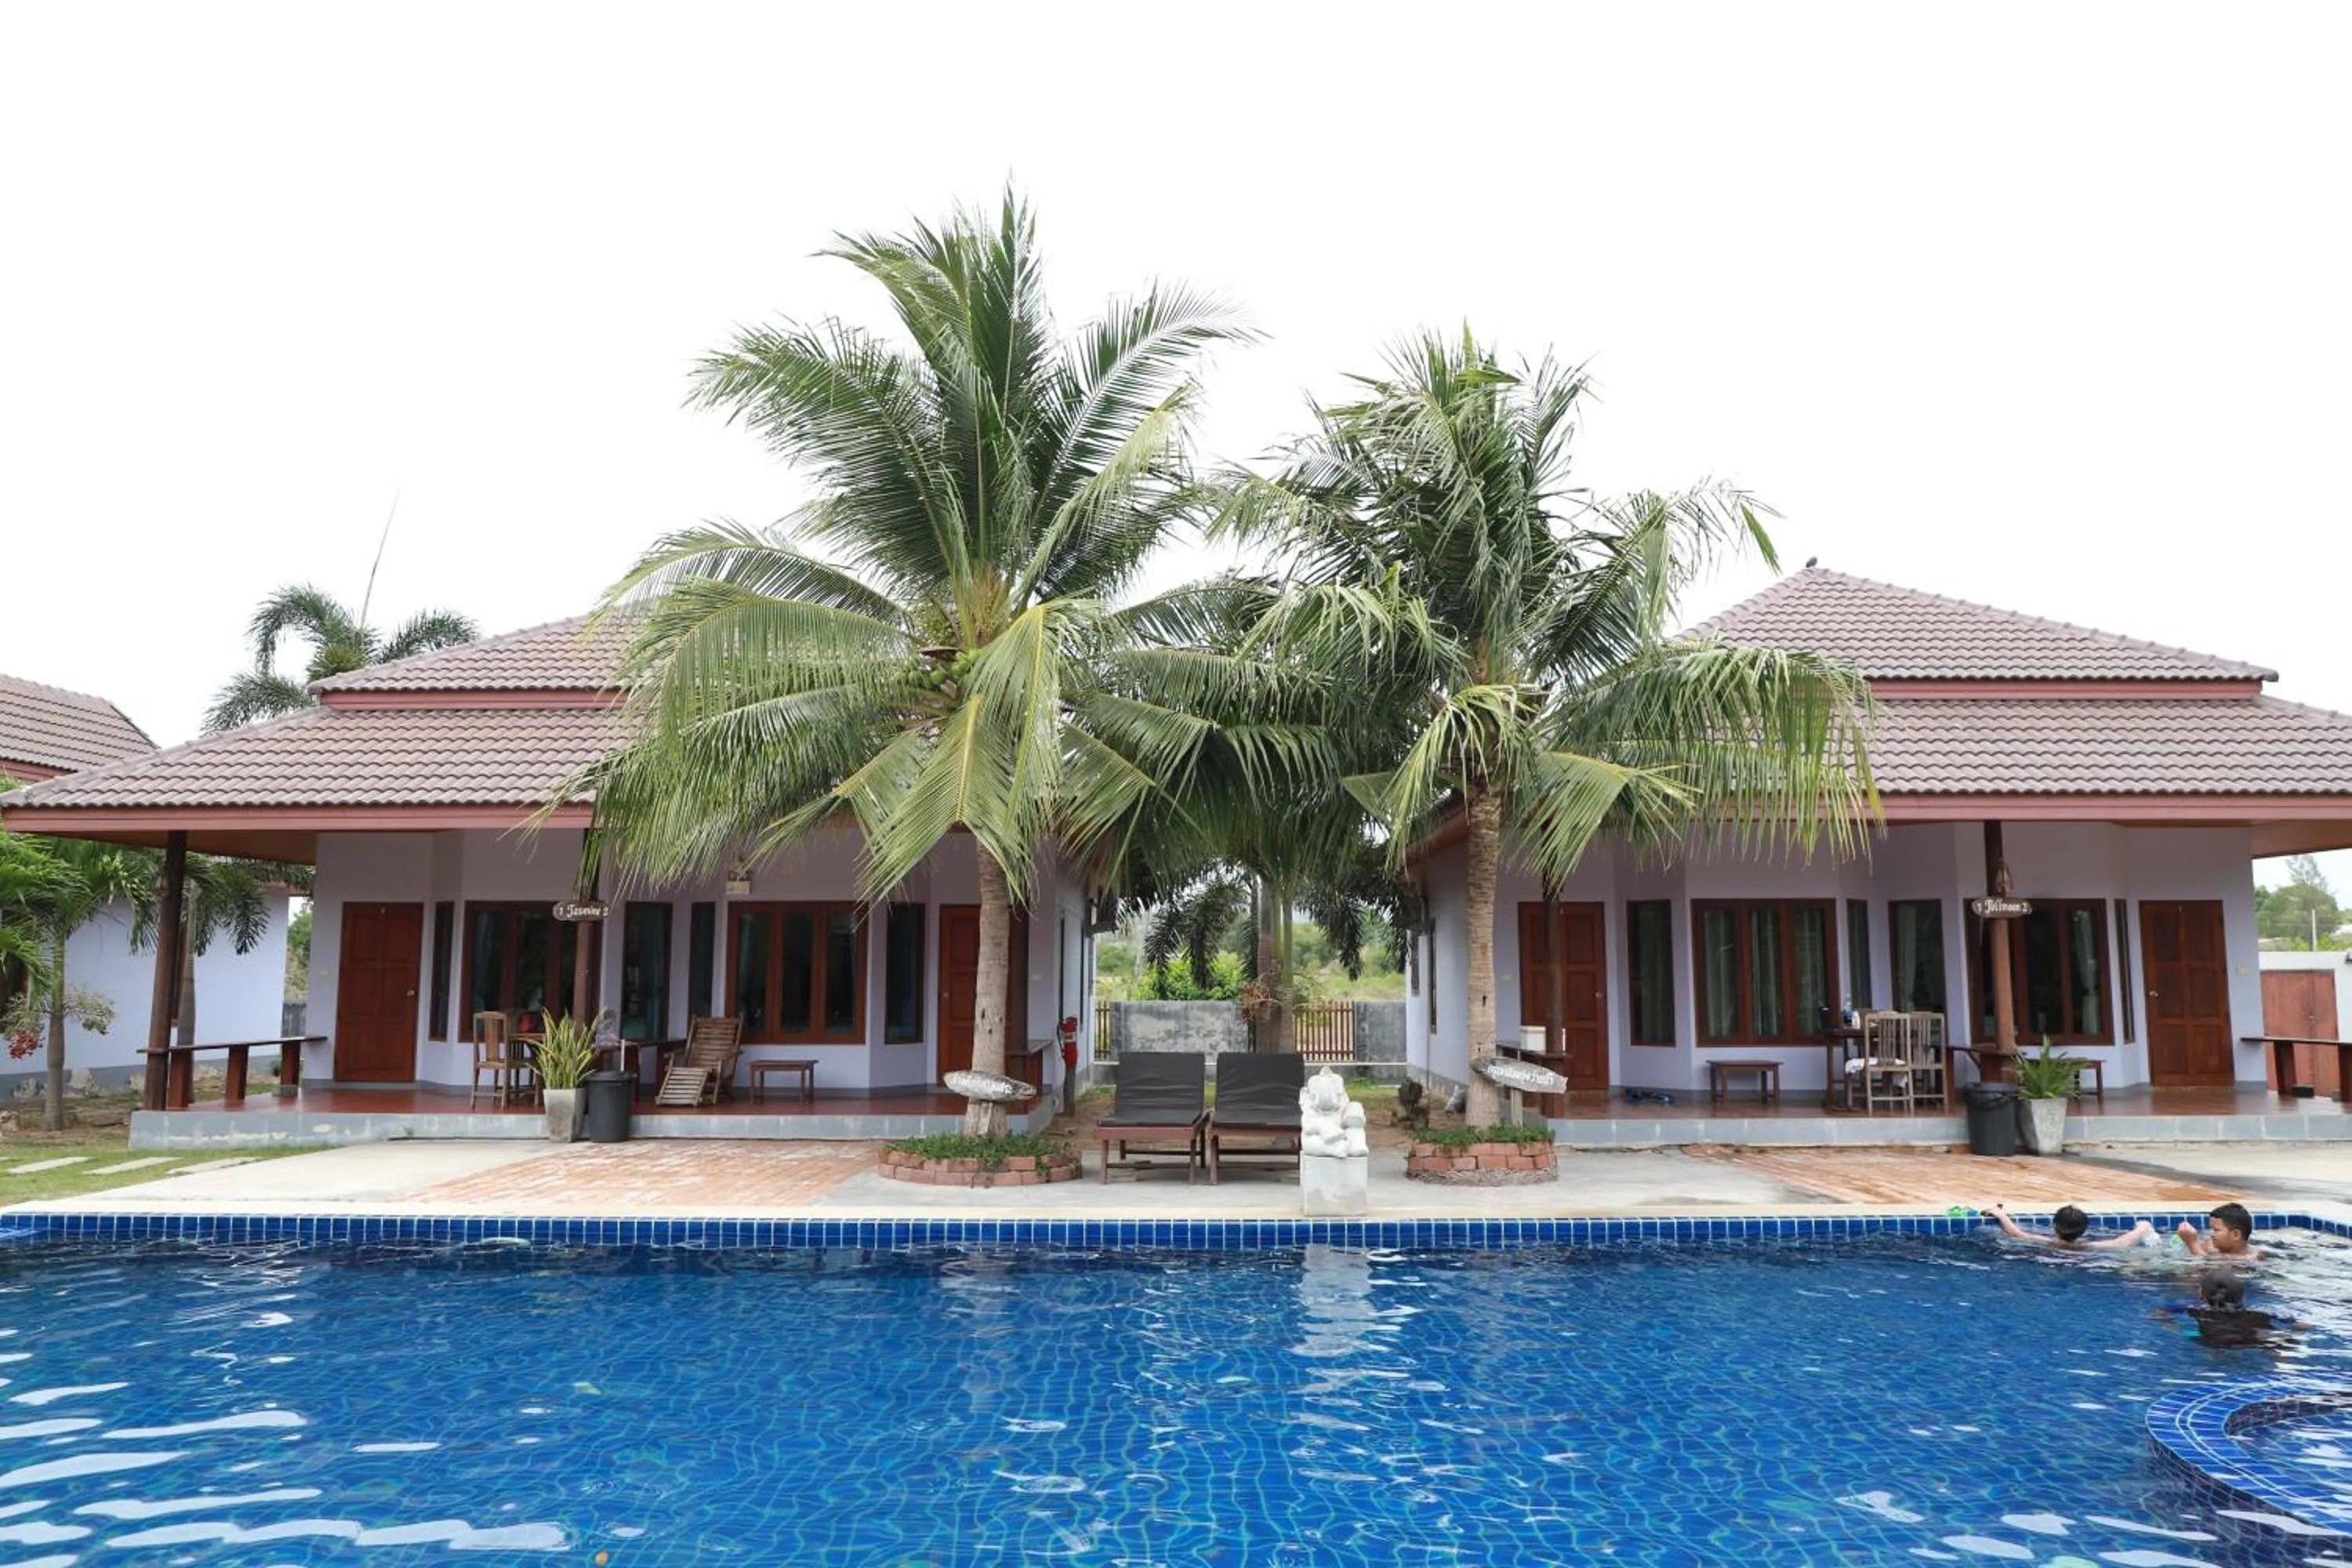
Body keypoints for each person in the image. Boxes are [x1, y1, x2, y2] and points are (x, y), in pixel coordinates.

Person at [2154, 1269, 2299, 1348]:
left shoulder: (2195, 1310)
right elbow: (2300, 1325)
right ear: (2242, 1295)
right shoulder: (2260, 1313)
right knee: (2278, 1339)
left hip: (2214, 1340)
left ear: (2201, 1295)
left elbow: (2161, 1313)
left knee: (2193, 1334)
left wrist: (2180, 1329)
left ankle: (2217, 1358)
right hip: (2254, 1338)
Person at [1987, 1203, 2156, 1251]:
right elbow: (2121, 1242)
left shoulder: (2048, 1242)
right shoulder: (2089, 1247)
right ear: (2084, 1230)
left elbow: (2018, 1234)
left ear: (2055, 1226)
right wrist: (2142, 1227)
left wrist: (2002, 1215)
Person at [2177, 1201, 2264, 1261]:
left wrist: (2192, 1243)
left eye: (2216, 1230)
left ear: (2236, 1235)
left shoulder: (2251, 1257)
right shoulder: (2214, 1245)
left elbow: (2203, 1267)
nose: (2211, 1234)